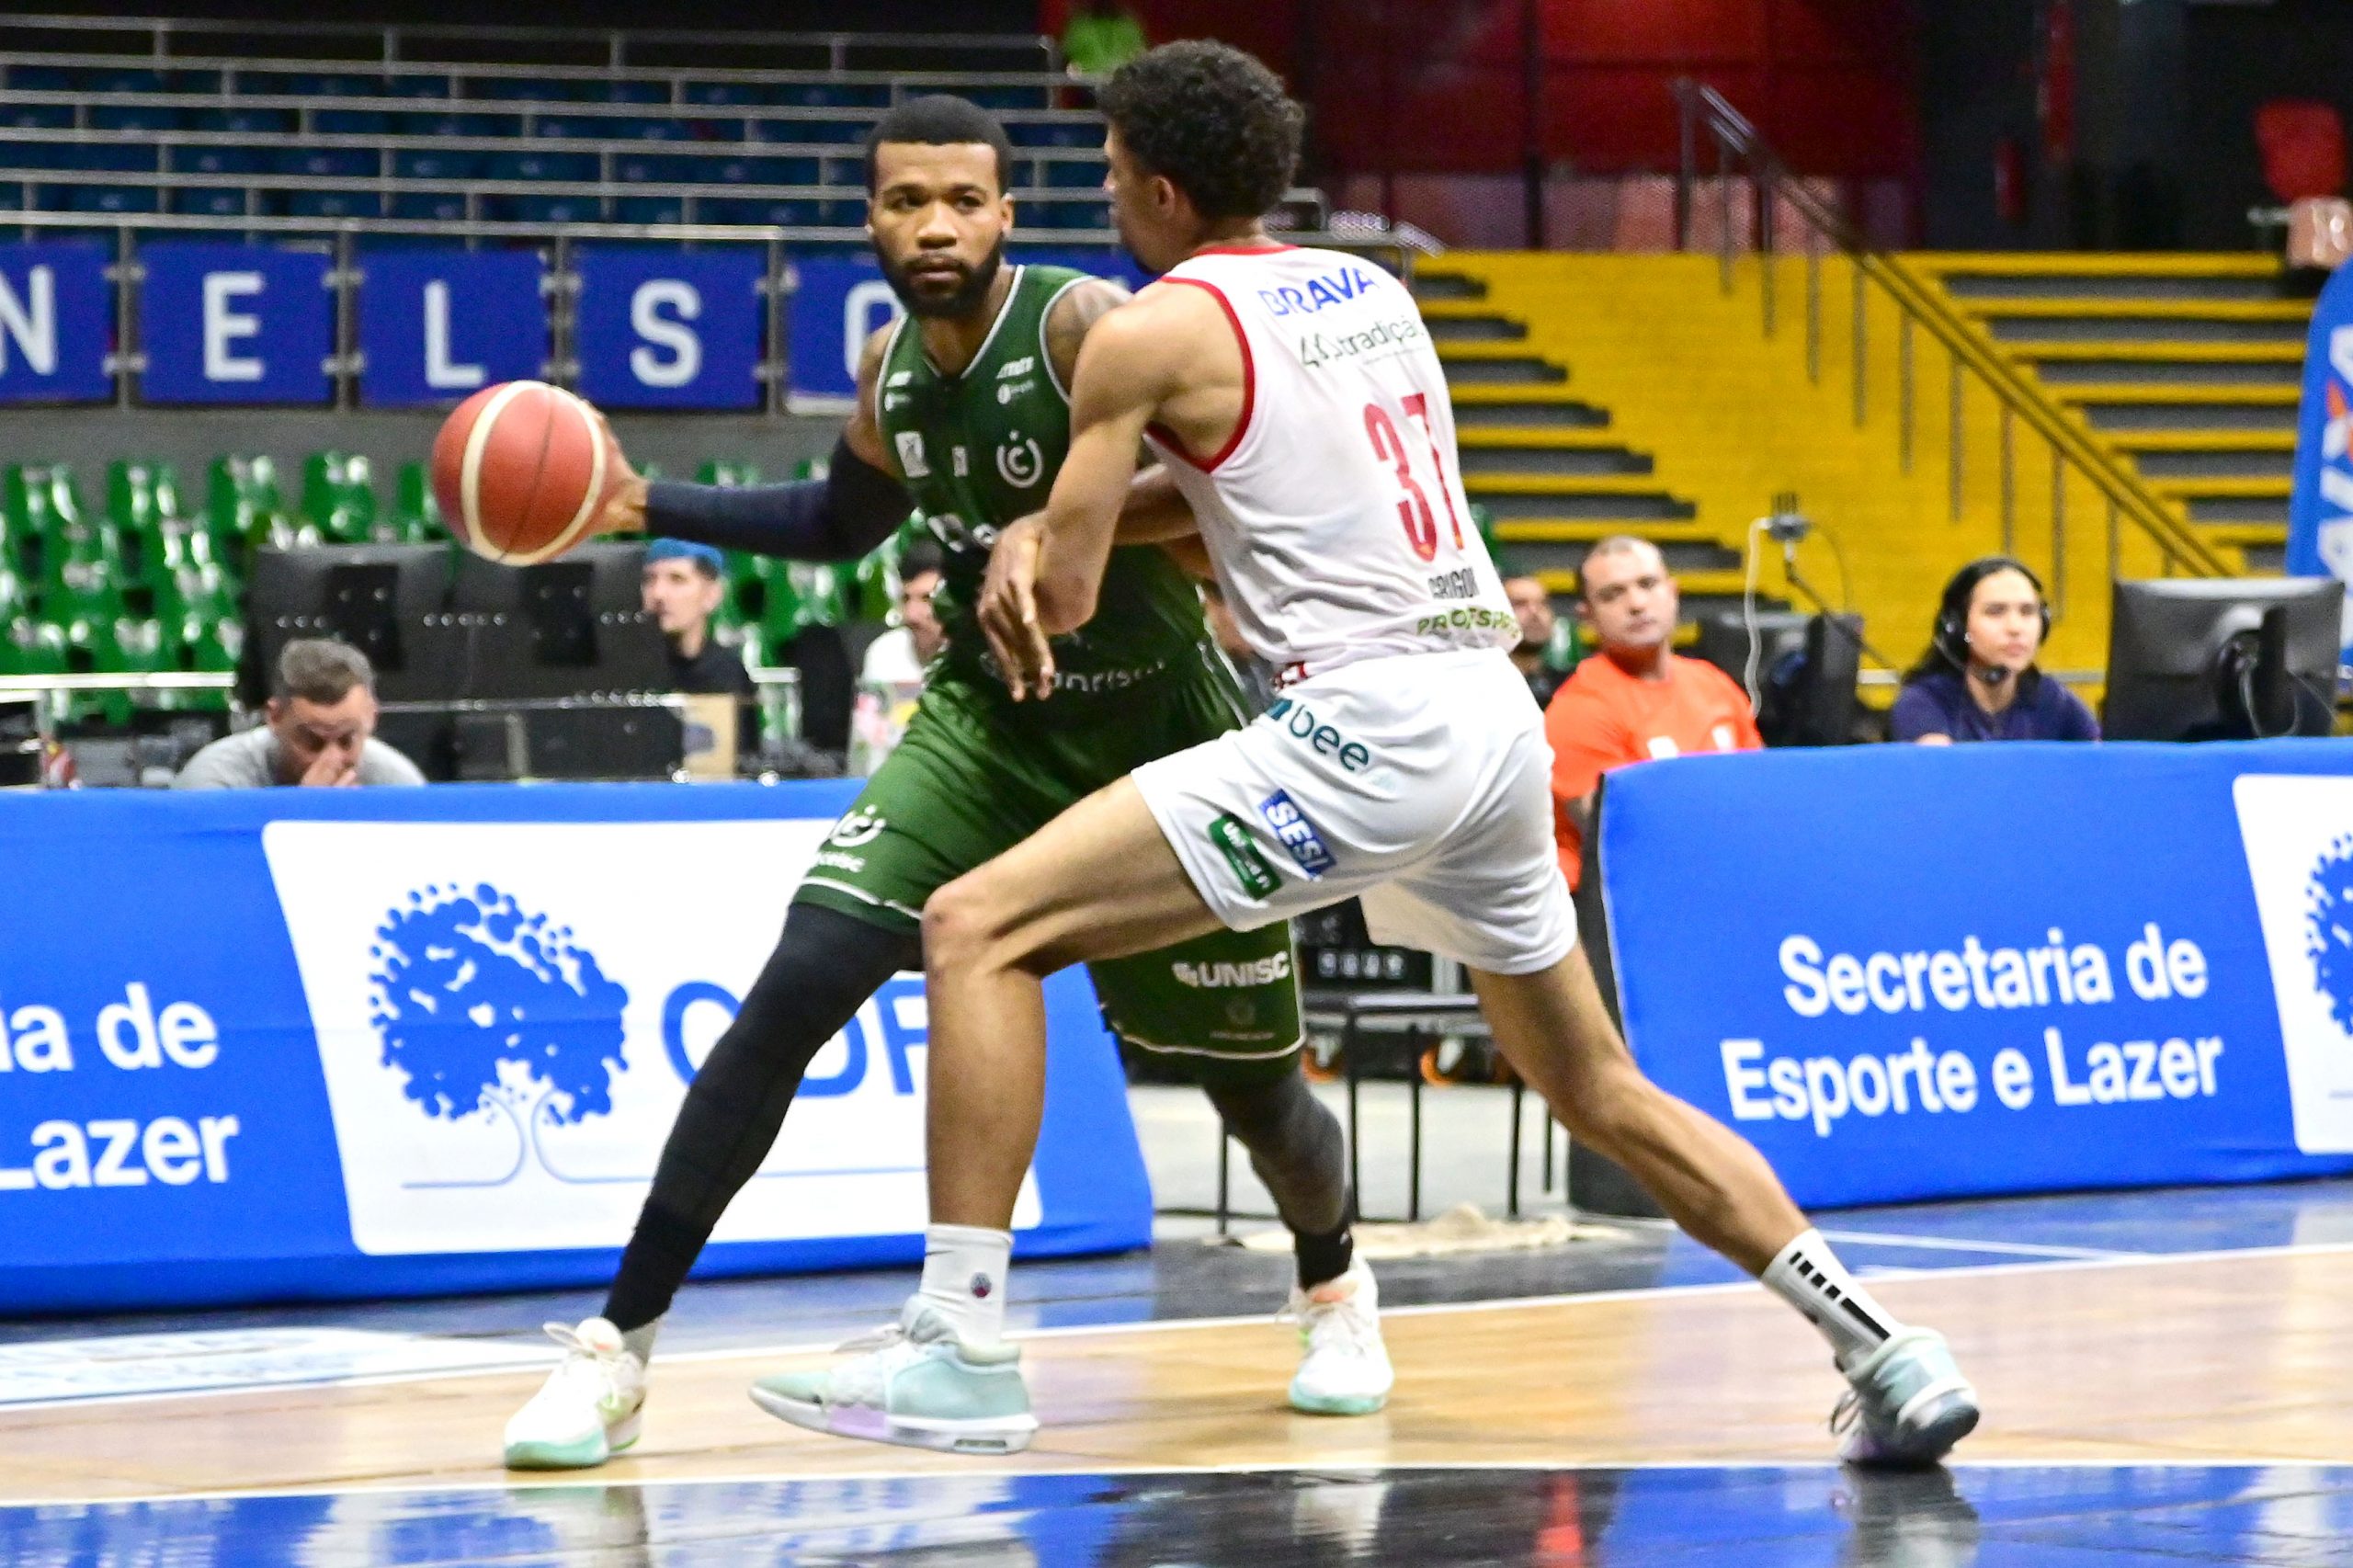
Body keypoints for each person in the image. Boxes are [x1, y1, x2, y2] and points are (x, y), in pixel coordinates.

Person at [762, 41, 1979, 1468]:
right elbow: (1236, 478)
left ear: (1160, 190)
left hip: (1360, 727)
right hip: (1489, 713)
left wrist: (1034, 536)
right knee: (1599, 1086)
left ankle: (959, 1345)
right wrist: (1077, 512)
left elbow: (1075, 592)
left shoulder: (1143, 334)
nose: (1108, 197)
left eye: (1111, 174)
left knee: (977, 926)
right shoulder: (1371, 290)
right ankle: (1883, 1342)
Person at [502, 93, 1382, 1471]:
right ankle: (618, 1351)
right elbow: (835, 520)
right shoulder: (890, 371)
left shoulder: (1087, 328)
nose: (935, 225)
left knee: (1256, 1093)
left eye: (963, 201)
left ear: (1005, 216)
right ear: (871, 218)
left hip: (1157, 732)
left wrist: (1057, 527)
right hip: (987, 725)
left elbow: (1225, 496)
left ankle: (1334, 1283)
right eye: (907, 200)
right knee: (795, 986)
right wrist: (637, 502)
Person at [1543, 538, 1761, 887]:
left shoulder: (1712, 682)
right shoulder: (1578, 710)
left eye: (1647, 584)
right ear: (1587, 615)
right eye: (1612, 595)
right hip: (1624, 898)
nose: (1637, 604)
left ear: (1673, 592)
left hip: (1722, 875)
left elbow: (1760, 789)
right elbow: (1620, 836)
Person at [1891, 557, 2098, 744]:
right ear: (1958, 627)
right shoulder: (1924, 701)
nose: (2015, 627)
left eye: (2027, 611)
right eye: (1995, 612)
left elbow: (2101, 762)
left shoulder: (2052, 698)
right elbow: (1942, 770)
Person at [175, 639, 425, 790]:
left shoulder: (396, 783)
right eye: (313, 742)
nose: (331, 760)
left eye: (347, 740)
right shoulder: (215, 783)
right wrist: (303, 812)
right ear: (275, 717)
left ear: (371, 716)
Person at [641, 539, 756, 702]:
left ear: (712, 595)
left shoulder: (728, 673)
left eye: (677, 579)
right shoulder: (625, 668)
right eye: (649, 580)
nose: (658, 593)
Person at [858, 541, 947, 687]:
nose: (911, 615)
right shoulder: (885, 655)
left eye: (927, 599)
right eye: (906, 599)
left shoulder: (978, 656)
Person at [1505, 574, 1568, 708]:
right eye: (1519, 604)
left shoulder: (1570, 684)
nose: (1534, 611)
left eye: (1543, 603)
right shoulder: (1480, 687)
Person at [1061, 0, 1148, 78]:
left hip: (1123, 83)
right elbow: (1066, 60)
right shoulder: (1079, 27)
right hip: (1087, 84)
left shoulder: (1128, 27)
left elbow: (1141, 58)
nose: (1104, 3)